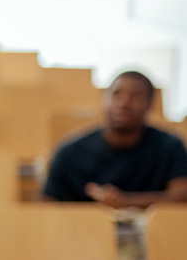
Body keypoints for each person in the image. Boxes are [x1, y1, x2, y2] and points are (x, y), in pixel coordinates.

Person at [42, 70, 187, 207]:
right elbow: (48, 205)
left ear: (150, 104)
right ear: (104, 99)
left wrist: (126, 201)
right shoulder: (69, 152)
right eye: (116, 94)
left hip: (155, 232)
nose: (124, 103)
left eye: (135, 96)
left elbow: (181, 196)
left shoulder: (171, 147)